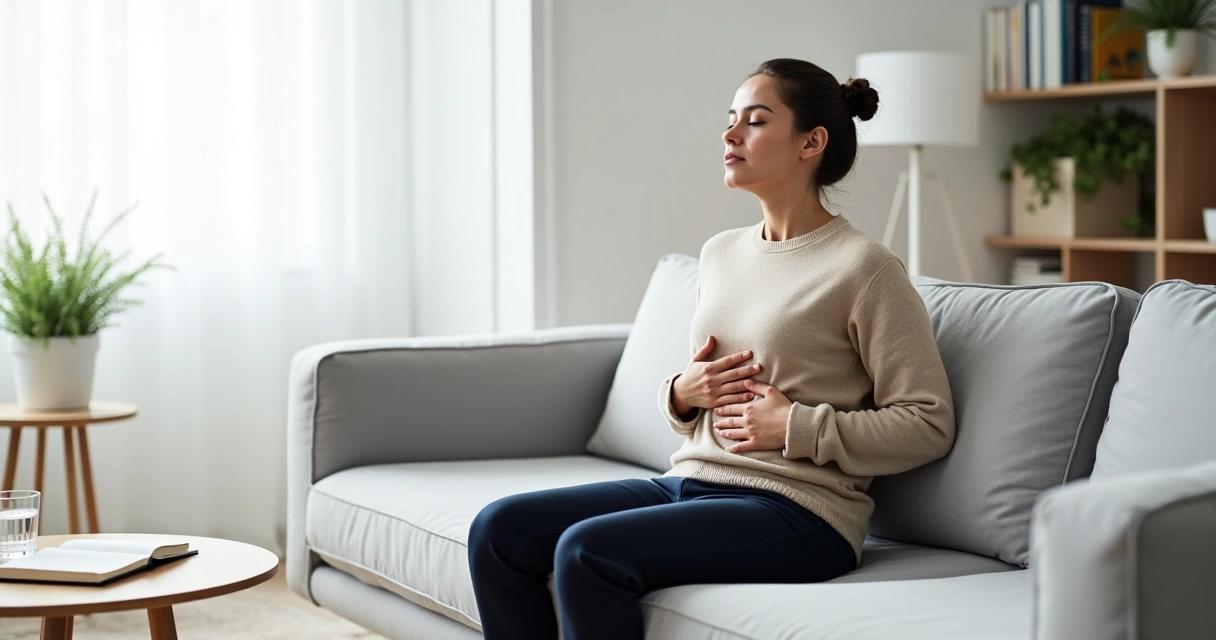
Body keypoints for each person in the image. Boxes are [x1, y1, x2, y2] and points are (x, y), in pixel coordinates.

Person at [467, 57, 956, 640]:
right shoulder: (720, 253)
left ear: (812, 142)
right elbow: (701, 391)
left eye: (754, 121)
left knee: (587, 552)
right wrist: (681, 393)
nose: (730, 135)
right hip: (692, 480)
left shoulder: (864, 268)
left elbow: (928, 423)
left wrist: (796, 426)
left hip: (800, 512)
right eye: (730, 120)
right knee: (498, 531)